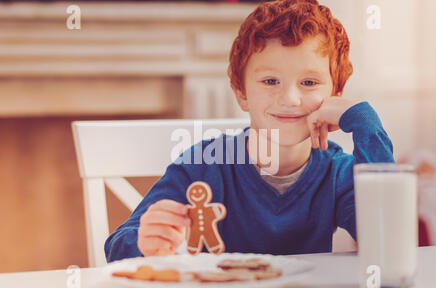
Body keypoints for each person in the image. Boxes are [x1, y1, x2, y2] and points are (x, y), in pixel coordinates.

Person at [104, 0, 394, 262]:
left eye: (309, 83)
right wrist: (145, 243)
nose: (290, 99)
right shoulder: (204, 164)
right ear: (241, 93)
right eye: (270, 81)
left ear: (335, 95)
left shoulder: (337, 173)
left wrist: (363, 120)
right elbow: (118, 245)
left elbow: (386, 239)